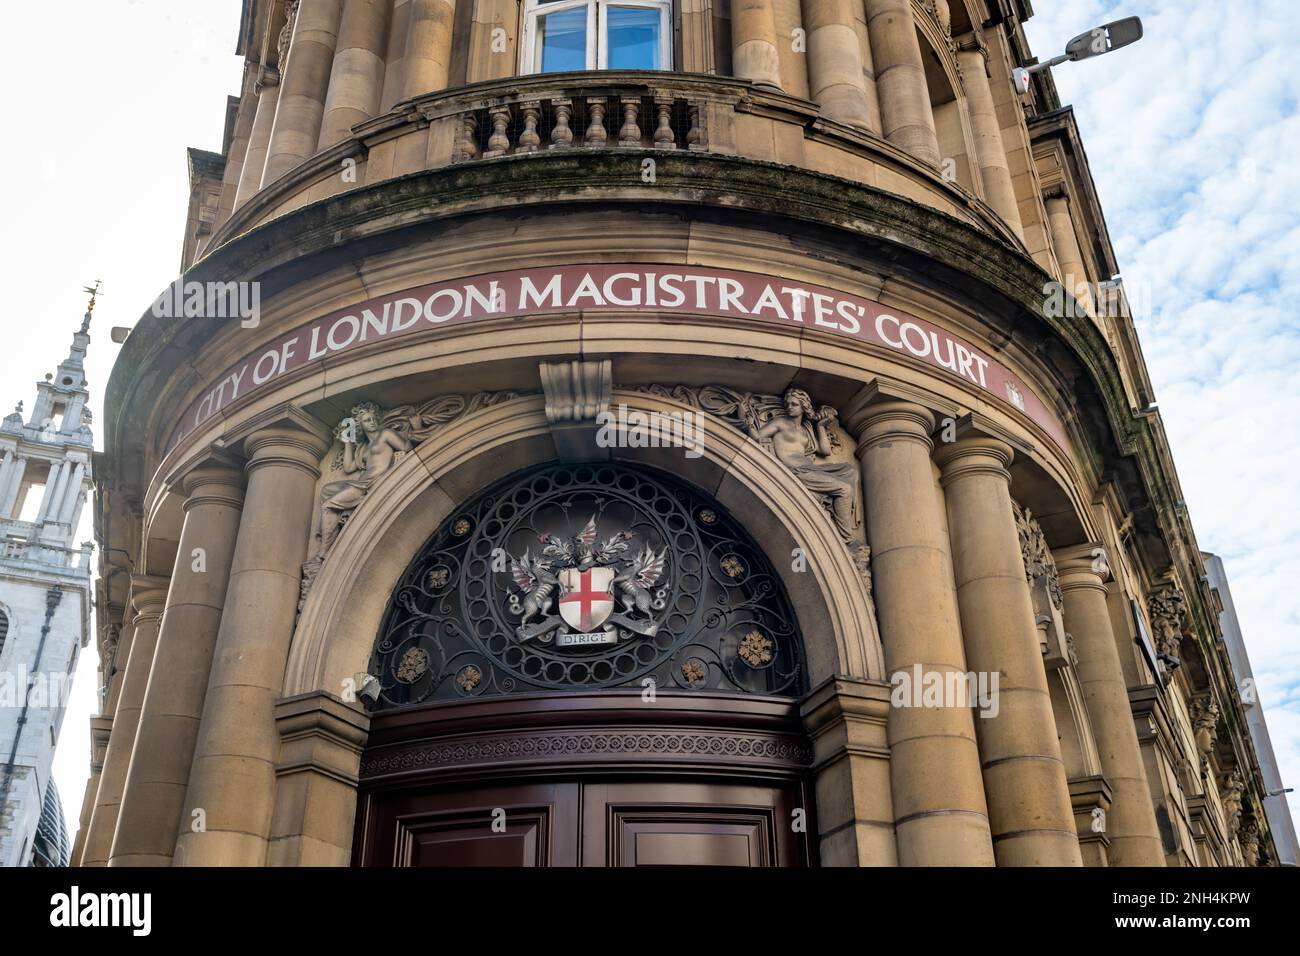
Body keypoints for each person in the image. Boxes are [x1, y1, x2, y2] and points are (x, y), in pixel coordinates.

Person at [744, 388, 860, 541]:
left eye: (794, 404)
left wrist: (820, 426)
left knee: (849, 470)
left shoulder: (806, 429)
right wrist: (747, 422)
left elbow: (824, 450)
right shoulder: (780, 423)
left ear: (803, 407)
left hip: (809, 468)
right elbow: (758, 436)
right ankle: (845, 538)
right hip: (794, 470)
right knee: (844, 489)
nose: (789, 407)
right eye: (787, 404)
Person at [316, 401, 411, 556]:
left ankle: (324, 551)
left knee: (328, 505)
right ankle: (336, 527)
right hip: (361, 482)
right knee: (327, 490)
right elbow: (348, 468)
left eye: (373, 419)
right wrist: (347, 441)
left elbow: (406, 447)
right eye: (367, 420)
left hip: (372, 482)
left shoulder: (385, 434)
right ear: (360, 425)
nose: (372, 422)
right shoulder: (363, 447)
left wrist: (398, 457)